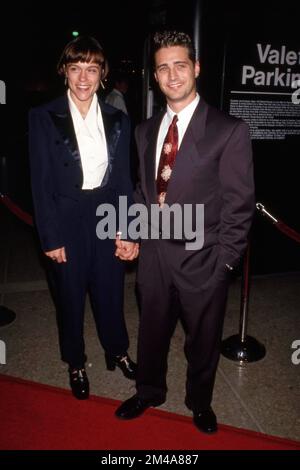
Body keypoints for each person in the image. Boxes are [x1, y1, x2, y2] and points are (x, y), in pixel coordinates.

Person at [115, 30, 255, 433]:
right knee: (152, 331)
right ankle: (148, 391)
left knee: (203, 341)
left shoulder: (229, 130)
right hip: (155, 259)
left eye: (180, 65)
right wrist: (132, 233)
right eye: (163, 67)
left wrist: (222, 265)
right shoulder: (145, 130)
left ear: (195, 68)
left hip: (204, 259)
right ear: (154, 76)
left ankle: (200, 401)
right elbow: (144, 192)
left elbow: (239, 206)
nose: (172, 74)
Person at [29, 36, 138, 400]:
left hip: (106, 213)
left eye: (91, 69)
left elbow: (124, 179)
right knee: (71, 296)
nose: (83, 78)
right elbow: (40, 182)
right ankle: (75, 361)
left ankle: (117, 351)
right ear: (64, 71)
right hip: (66, 217)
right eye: (75, 68)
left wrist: (127, 230)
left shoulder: (118, 118)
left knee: (110, 292)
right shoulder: (43, 117)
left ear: (102, 74)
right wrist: (50, 237)